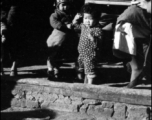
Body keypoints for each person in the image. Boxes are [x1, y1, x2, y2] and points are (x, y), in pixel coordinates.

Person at [113, 0, 151, 88]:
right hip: (134, 25)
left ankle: (136, 71)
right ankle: (135, 71)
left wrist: (147, 5)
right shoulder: (134, 9)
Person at [72, 3, 103, 84]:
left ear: (96, 19)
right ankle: (80, 79)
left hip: (90, 54)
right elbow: (75, 26)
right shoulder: (83, 26)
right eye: (85, 18)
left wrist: (93, 38)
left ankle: (90, 84)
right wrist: (75, 19)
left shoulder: (97, 29)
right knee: (79, 66)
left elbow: (99, 41)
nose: (87, 21)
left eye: (90, 19)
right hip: (81, 52)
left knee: (90, 69)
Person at [46, 0, 76, 80]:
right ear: (57, 5)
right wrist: (65, 26)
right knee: (52, 55)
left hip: (64, 39)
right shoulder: (55, 15)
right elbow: (54, 23)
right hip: (56, 37)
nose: (65, 7)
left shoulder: (69, 14)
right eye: (63, 5)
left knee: (60, 56)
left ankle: (57, 70)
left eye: (67, 5)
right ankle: (50, 70)